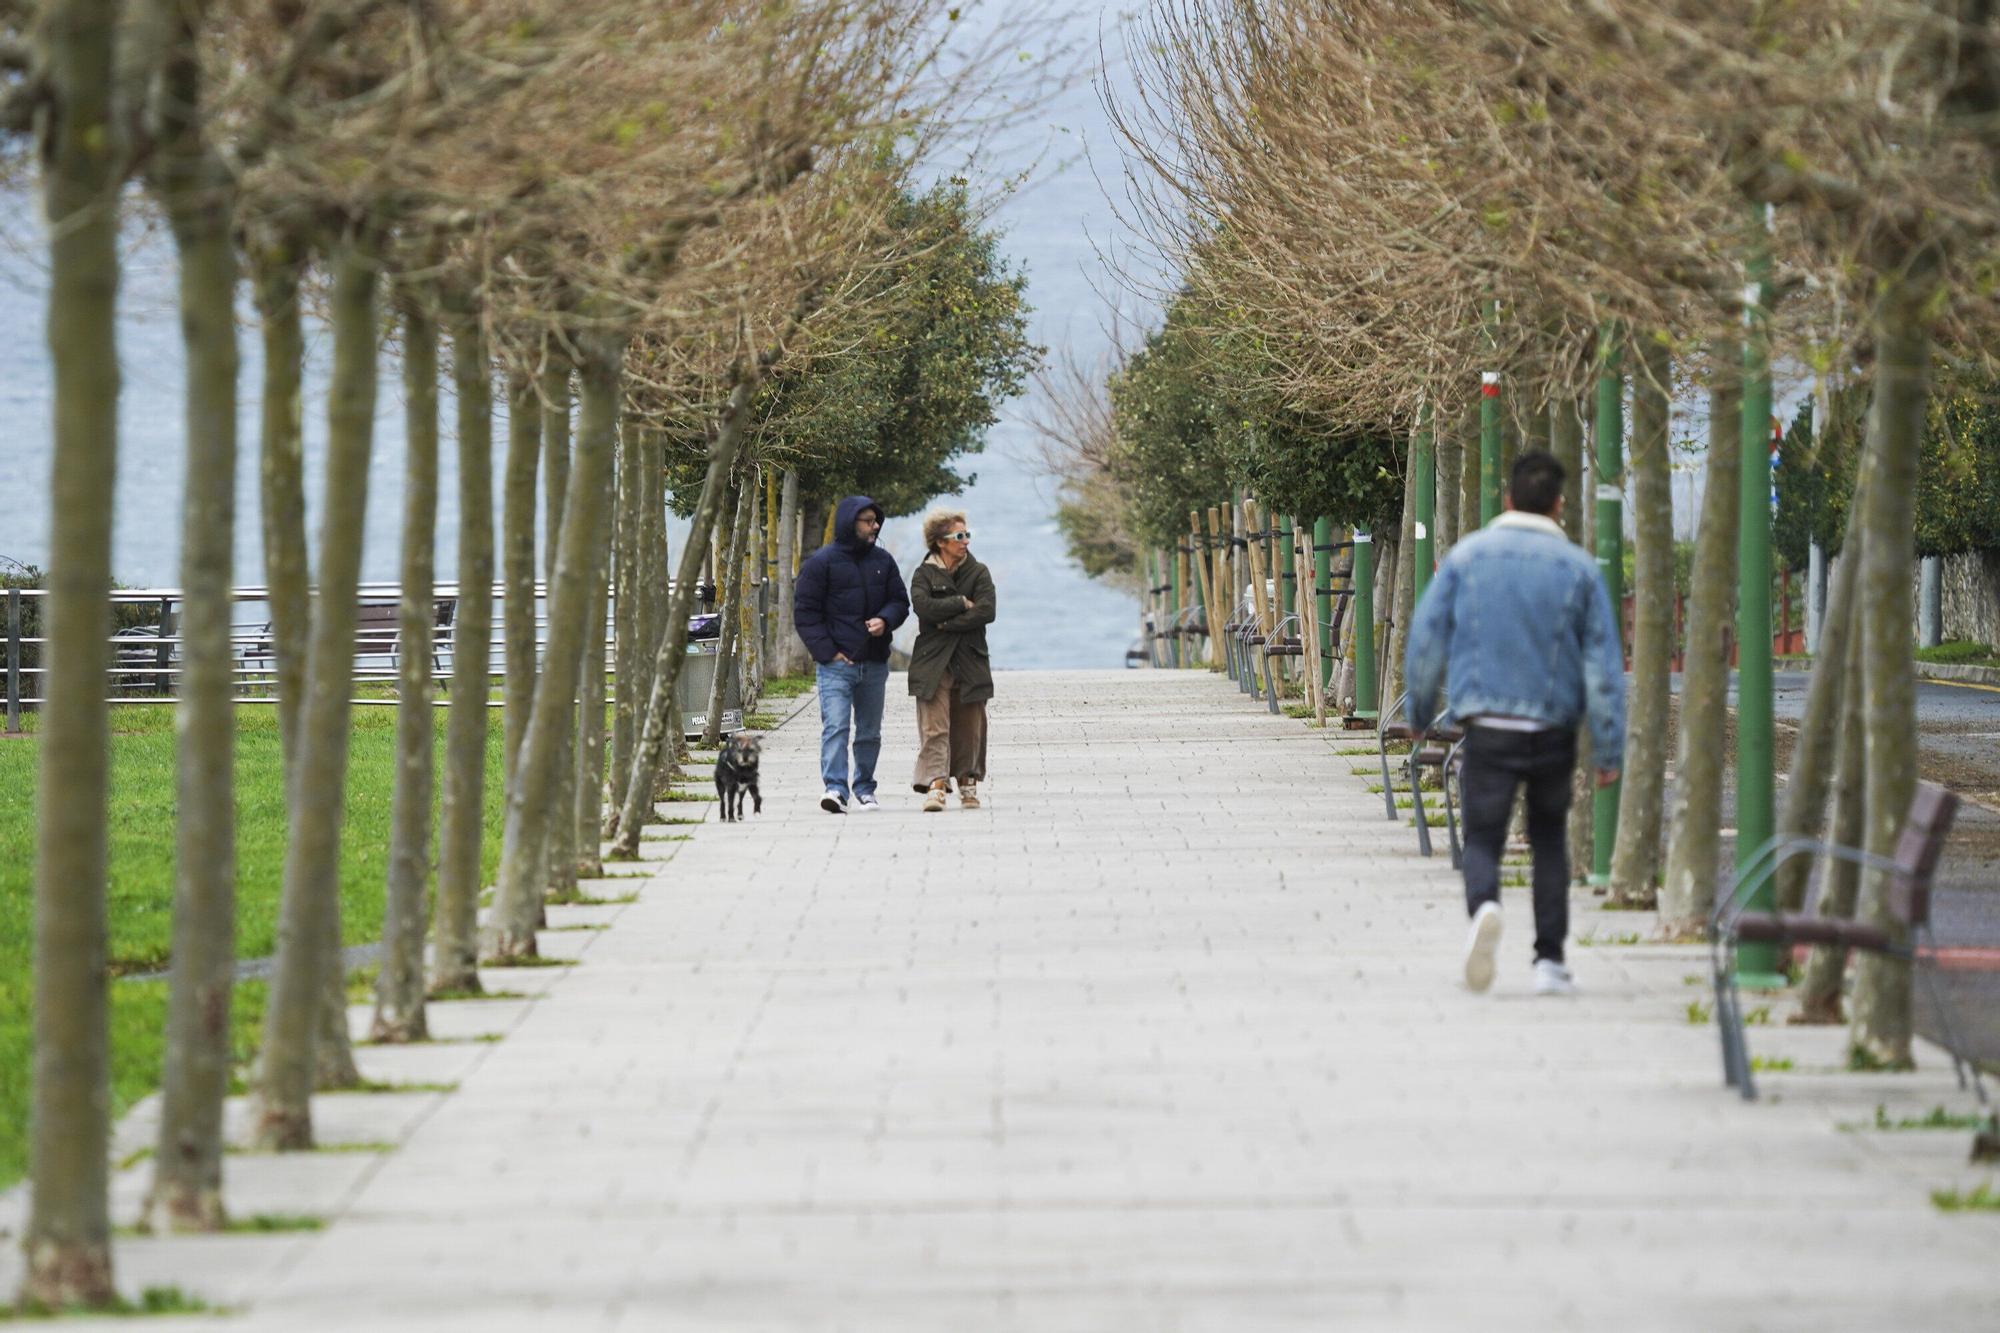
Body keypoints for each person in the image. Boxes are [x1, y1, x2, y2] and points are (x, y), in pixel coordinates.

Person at [1404, 450, 1626, 996]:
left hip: (1488, 726)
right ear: (1558, 505)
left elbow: (1427, 637)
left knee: (1483, 836)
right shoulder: (1579, 569)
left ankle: (1485, 906)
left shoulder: (1467, 558)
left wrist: (1419, 714)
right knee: (1549, 839)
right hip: (1552, 729)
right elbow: (1602, 667)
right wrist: (1607, 747)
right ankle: (1549, 962)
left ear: (1507, 499)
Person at [793, 495, 909, 813]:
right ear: (850, 523)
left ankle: (865, 788)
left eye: (876, 521)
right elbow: (805, 613)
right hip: (836, 665)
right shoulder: (820, 563)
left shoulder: (884, 561)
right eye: (868, 521)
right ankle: (835, 789)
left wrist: (885, 620)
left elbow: (900, 602)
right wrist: (828, 653)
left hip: (874, 662)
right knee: (836, 727)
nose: (875, 526)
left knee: (869, 732)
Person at [907, 510, 996, 812]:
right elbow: (923, 607)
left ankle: (968, 782)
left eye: (967, 534)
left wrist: (947, 624)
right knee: (934, 727)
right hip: (933, 662)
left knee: (970, 726)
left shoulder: (979, 572)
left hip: (970, 660)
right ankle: (936, 784)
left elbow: (986, 611)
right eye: (959, 536)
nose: (966, 541)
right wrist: (959, 603)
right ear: (940, 542)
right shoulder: (923, 574)